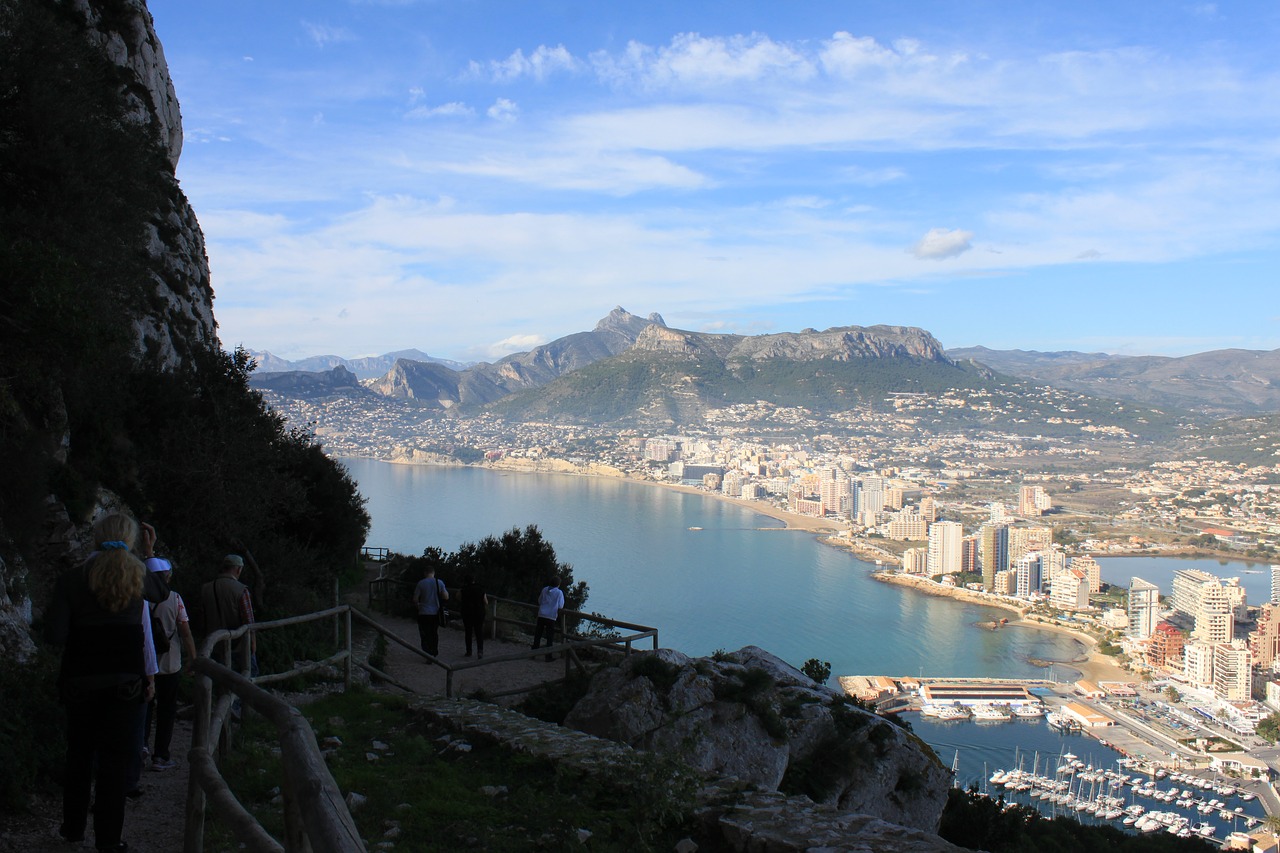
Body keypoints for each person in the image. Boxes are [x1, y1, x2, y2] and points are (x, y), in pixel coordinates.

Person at [46, 512, 158, 852]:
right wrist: (149, 555)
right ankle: (109, 839)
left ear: (95, 537)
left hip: (80, 683)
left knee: (79, 756)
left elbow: (54, 635)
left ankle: (73, 829)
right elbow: (163, 593)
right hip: (126, 684)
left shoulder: (70, 580)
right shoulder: (139, 578)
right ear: (133, 540)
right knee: (115, 763)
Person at [145, 557, 196, 771]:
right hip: (170, 663)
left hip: (146, 664)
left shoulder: (141, 598)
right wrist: (193, 657)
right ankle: (161, 756)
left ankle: (141, 747)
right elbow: (184, 631)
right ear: (167, 576)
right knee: (167, 711)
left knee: (145, 709)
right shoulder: (175, 599)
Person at [199, 554, 255, 673]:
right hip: (238, 646)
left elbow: (203, 619)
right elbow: (249, 622)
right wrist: (253, 644)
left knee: (219, 680)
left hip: (213, 644)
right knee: (247, 676)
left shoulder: (206, 588)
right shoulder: (241, 590)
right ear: (238, 569)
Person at [411, 566, 448, 657]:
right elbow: (446, 597)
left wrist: (418, 606)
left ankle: (427, 652)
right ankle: (434, 651)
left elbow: (415, 599)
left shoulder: (421, 583)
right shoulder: (439, 582)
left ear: (425, 573)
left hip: (424, 612)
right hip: (435, 613)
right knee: (434, 632)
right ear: (433, 573)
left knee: (425, 634)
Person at [531, 577, 564, 662]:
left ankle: (533, 653)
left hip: (541, 614)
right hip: (551, 616)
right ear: (558, 584)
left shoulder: (545, 589)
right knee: (549, 637)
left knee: (538, 634)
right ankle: (548, 656)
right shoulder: (559, 592)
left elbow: (540, 600)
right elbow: (561, 605)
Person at [460, 574, 489, 659]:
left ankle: (469, 651)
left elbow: (458, 597)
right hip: (479, 613)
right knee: (479, 632)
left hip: (467, 613)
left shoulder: (464, 589)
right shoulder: (480, 589)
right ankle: (480, 651)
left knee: (468, 632)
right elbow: (486, 601)